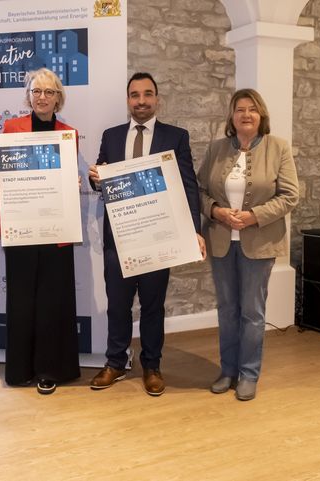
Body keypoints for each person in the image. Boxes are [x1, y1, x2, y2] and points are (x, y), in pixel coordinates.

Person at [88, 72, 206, 396]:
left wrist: (194, 231)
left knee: (153, 305)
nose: (141, 101)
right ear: (128, 100)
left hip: (159, 236)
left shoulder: (176, 137)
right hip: (119, 237)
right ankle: (115, 362)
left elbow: (189, 186)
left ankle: (152, 366)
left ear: (157, 99)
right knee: (118, 304)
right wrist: (95, 178)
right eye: (135, 95)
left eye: (147, 94)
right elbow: (101, 181)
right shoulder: (111, 136)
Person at [197, 88, 299, 401]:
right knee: (227, 309)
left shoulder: (278, 148)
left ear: (261, 115)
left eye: (252, 109)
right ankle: (228, 370)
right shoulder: (216, 149)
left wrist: (254, 216)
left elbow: (290, 195)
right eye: (240, 109)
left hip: (260, 243)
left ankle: (248, 373)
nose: (245, 115)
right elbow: (199, 190)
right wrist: (216, 211)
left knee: (252, 312)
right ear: (232, 116)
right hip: (221, 242)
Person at [0, 68, 81, 395]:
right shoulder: (13, 128)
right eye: (36, 91)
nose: (42, 97)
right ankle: (19, 370)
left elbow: (70, 176)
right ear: (28, 95)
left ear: (58, 97)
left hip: (56, 228)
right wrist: (3, 186)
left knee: (52, 301)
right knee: (21, 300)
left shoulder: (68, 133)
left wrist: (74, 183)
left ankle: (49, 369)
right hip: (22, 226)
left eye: (49, 92)